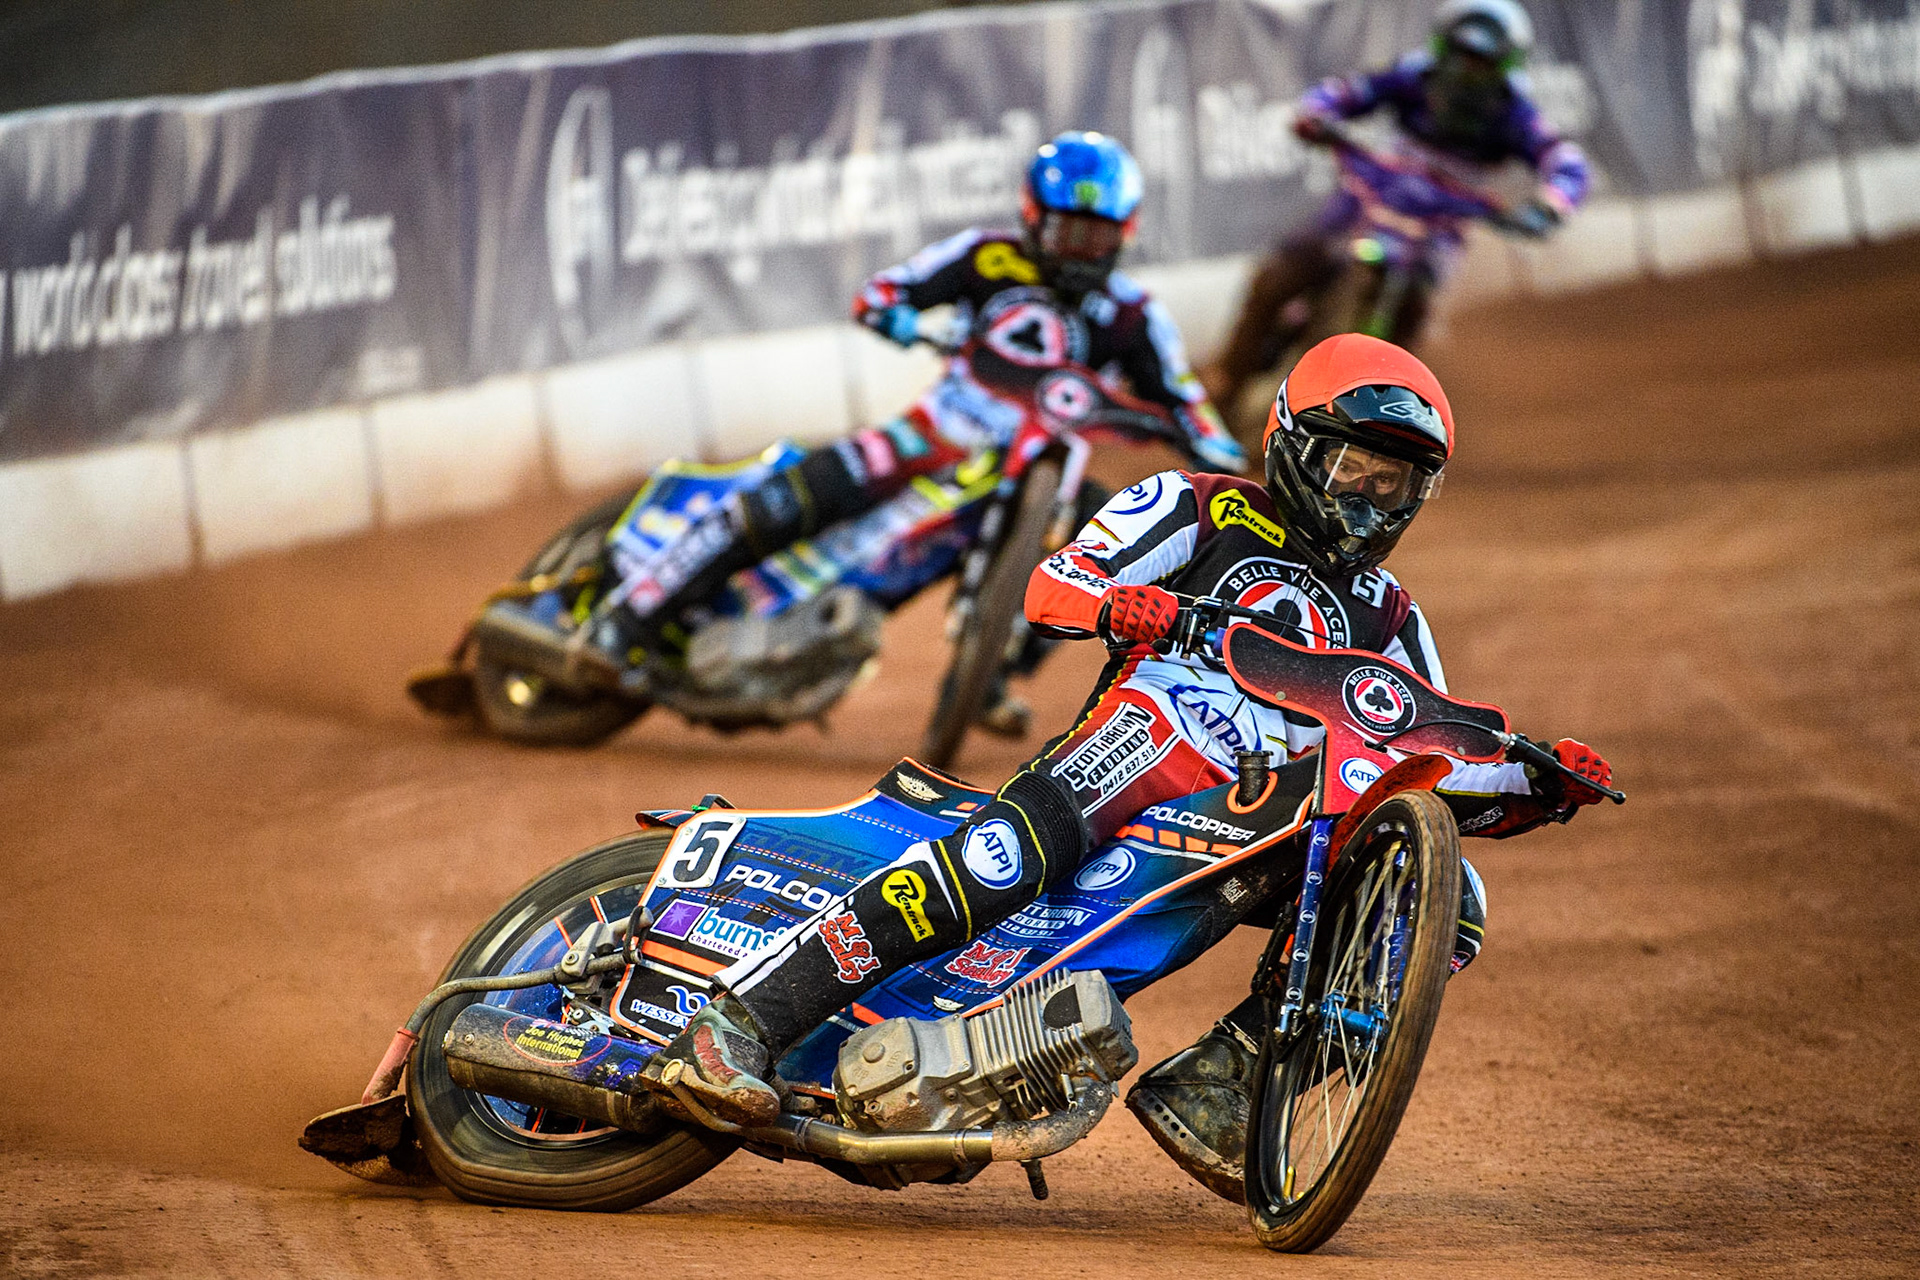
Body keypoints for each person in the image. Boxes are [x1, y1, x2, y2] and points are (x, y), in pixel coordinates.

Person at [640, 334, 1613, 1202]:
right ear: (1298, 444)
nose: (1372, 493)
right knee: (999, 863)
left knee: (1448, 898)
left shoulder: (1396, 617)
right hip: (1132, 751)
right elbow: (1055, 581)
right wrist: (1124, 606)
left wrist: (1540, 784)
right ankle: (734, 1026)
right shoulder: (1197, 503)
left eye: (1396, 480)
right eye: (1357, 464)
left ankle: (1231, 1078)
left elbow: (1432, 762)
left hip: (1259, 818)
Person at [608, 130, 1246, 736]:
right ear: (1032, 216)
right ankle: (635, 614)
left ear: (1125, 233)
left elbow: (1186, 399)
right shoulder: (981, 254)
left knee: (1098, 543)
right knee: (799, 493)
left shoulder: (1135, 316)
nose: (1081, 250)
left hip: (1034, 464)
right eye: (1066, 232)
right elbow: (883, 293)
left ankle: (995, 672)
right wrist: (904, 322)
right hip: (930, 433)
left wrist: (1214, 444)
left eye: (1097, 236)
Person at [1201, 0, 1591, 415]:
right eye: (1460, 55)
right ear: (1442, 48)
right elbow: (1347, 92)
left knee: (1415, 312)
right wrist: (1317, 114)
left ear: (1505, 64)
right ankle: (1229, 376)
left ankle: (1379, 408)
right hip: (1366, 201)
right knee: (1282, 270)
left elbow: (1564, 160)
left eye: (1481, 61)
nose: (1466, 71)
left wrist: (1550, 205)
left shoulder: (1516, 112)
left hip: (1437, 228)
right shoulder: (1412, 75)